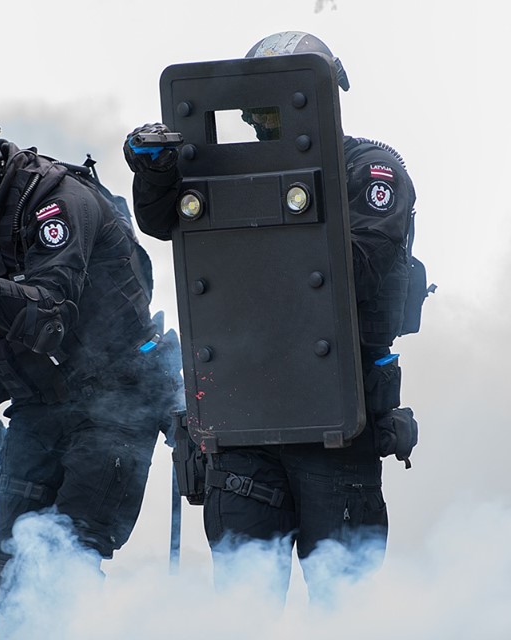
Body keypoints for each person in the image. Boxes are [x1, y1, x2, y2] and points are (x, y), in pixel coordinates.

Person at [123, 32, 420, 602]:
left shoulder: (368, 170)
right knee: (245, 605)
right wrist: (156, 175)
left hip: (335, 419)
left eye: (274, 104)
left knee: (344, 605)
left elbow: (362, 266)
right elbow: (162, 223)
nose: (259, 119)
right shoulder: (219, 171)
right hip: (243, 417)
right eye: (255, 106)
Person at [0, 105, 181, 617]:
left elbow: (48, 320)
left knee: (65, 567)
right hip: (38, 406)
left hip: (116, 400)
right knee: (7, 580)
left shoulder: (55, 200)